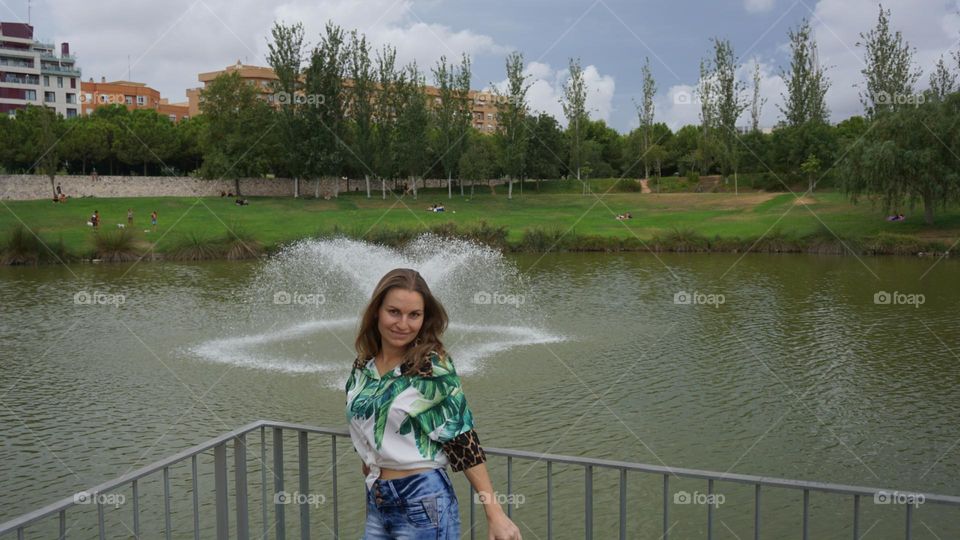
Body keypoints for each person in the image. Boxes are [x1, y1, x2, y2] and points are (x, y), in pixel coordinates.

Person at [346, 269, 522, 540]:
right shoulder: (363, 366)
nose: (403, 324)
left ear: (424, 318)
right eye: (394, 311)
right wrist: (370, 460)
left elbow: (461, 437)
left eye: (414, 315)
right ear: (377, 312)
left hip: (423, 499)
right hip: (378, 497)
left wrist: (494, 512)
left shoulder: (430, 367)